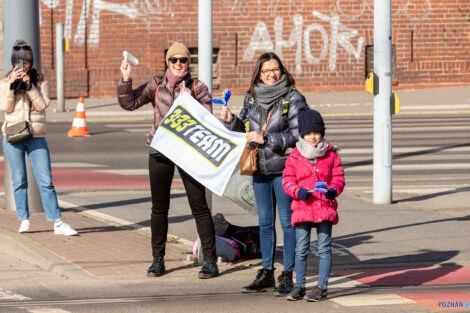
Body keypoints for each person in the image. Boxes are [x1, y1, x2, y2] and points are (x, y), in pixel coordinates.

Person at [117, 41, 218, 279]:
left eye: (183, 60)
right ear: (168, 62)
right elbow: (129, 103)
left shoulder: (197, 86)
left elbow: (208, 119)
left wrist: (190, 100)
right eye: (174, 60)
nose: (178, 64)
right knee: (159, 208)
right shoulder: (156, 84)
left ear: (188, 63)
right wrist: (125, 79)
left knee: (199, 206)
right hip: (160, 150)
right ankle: (158, 260)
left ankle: (211, 261)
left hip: (188, 152)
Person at [220, 52, 308, 296]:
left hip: (285, 170)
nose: (271, 74)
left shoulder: (293, 97)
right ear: (258, 73)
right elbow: (245, 129)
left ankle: (287, 274)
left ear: (282, 70)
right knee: (265, 224)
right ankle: (267, 271)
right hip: (259, 168)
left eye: (275, 69)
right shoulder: (252, 98)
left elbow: (300, 134)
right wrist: (232, 121)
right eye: (266, 70)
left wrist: (267, 138)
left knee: (288, 224)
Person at [0, 40, 77, 236]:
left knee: (45, 180)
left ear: (31, 62)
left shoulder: (40, 80)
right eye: (20, 63)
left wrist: (29, 86)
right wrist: (11, 86)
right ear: (13, 62)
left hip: (36, 135)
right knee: (18, 180)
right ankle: (24, 220)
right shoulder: (4, 81)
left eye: (26, 63)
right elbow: (5, 108)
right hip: (13, 134)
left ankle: (57, 222)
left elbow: (42, 105)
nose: (23, 66)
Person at [282, 109, 345, 301]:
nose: (312, 137)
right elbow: (287, 181)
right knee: (301, 248)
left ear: (322, 133)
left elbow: (339, 177)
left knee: (324, 248)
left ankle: (322, 286)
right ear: (302, 134)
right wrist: (296, 191)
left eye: (316, 133)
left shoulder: (331, 155)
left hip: (324, 207)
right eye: (308, 133)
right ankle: (299, 284)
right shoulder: (295, 156)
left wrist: (334, 189)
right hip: (303, 208)